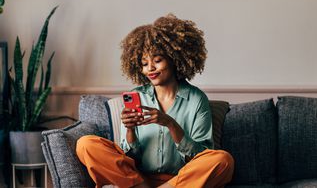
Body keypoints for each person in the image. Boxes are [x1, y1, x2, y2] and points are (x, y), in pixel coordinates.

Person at [76, 14, 234, 188]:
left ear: (174, 59)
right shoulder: (136, 96)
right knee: (85, 144)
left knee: (223, 160)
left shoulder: (196, 99)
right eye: (144, 63)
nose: (150, 68)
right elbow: (129, 157)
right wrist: (129, 130)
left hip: (181, 181)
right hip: (137, 179)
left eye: (157, 61)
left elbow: (201, 156)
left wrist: (170, 123)